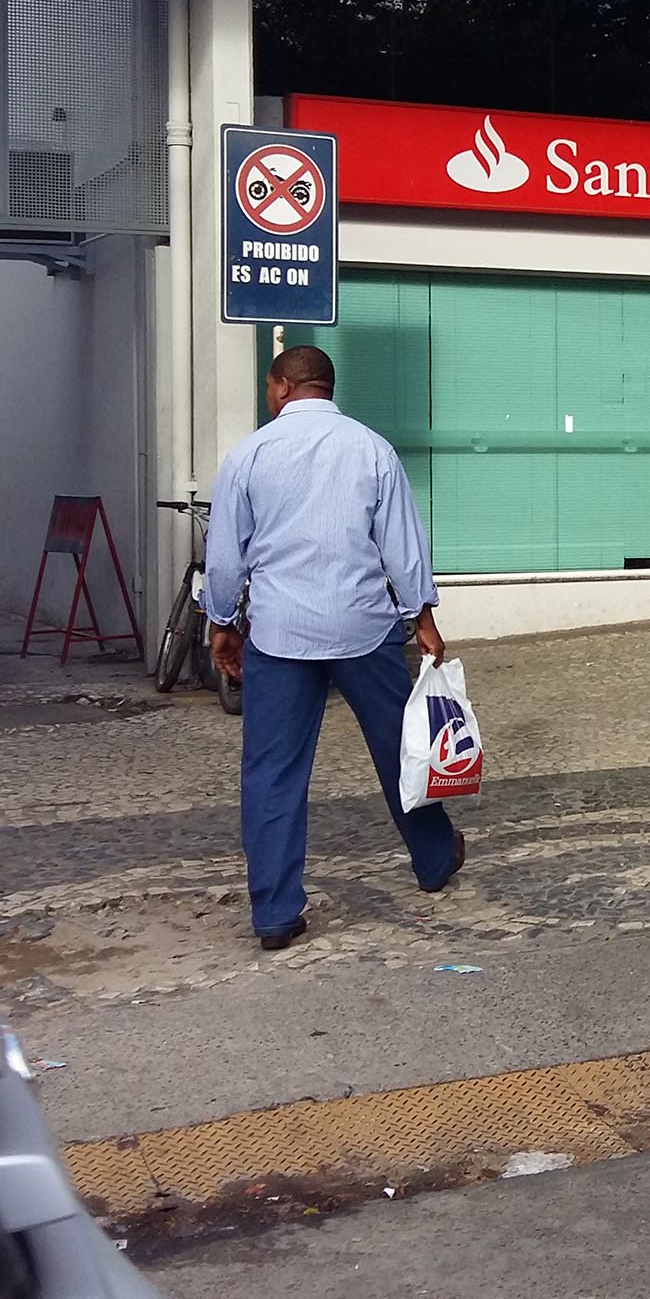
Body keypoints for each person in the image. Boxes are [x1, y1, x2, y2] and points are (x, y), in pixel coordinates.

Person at [203, 345, 465, 950]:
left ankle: (274, 914)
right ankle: (432, 859)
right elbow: (402, 543)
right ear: (327, 387)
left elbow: (224, 555)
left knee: (272, 773)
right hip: (363, 630)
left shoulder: (248, 455)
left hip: (278, 634)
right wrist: (422, 617)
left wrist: (221, 623)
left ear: (279, 388)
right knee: (402, 750)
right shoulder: (371, 448)